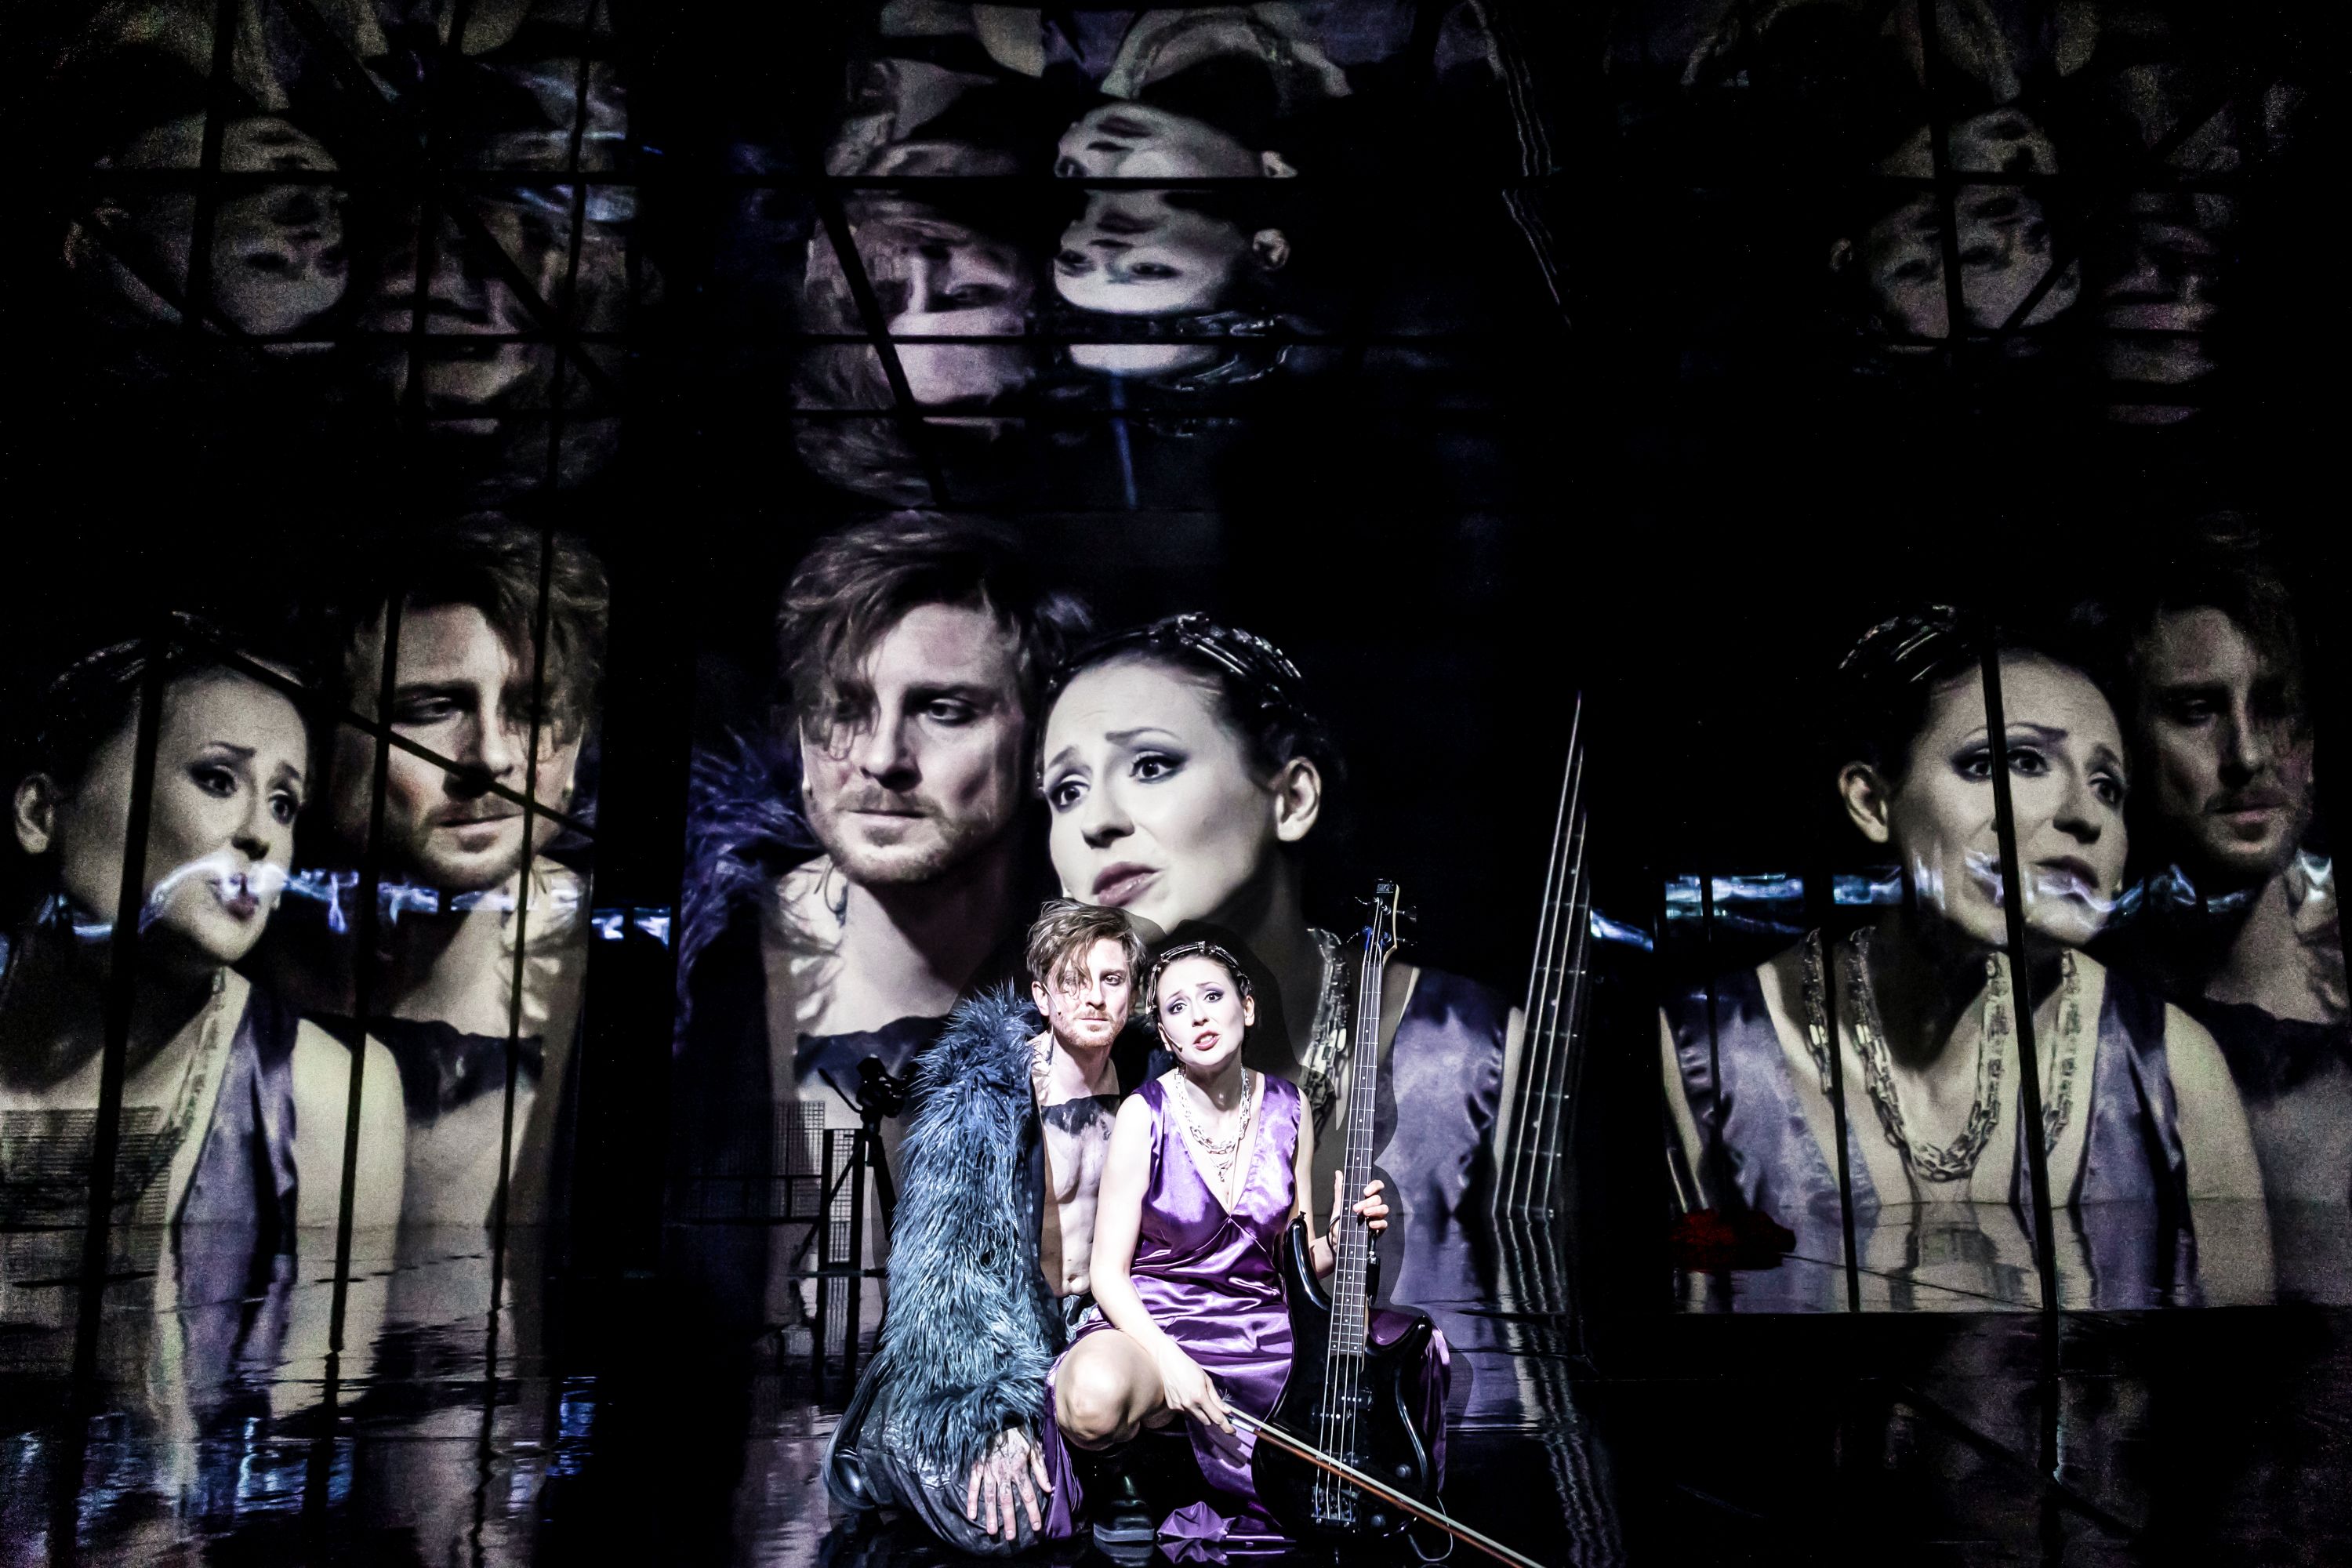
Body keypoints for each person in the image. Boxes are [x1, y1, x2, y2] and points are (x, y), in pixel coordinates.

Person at [1659, 609, 2264, 1305]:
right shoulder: (1707, 1057)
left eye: (2109, 786)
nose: (2085, 814)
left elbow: (2249, 1358)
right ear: (1872, 802)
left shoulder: (2172, 1069)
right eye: (2017, 761)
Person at [1037, 615, 1518, 1368]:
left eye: (1151, 765)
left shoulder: (1473, 1049)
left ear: (1291, 797)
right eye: (1066, 790)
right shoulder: (1054, 1078)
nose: (1094, 822)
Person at [673, 512, 1091, 1272]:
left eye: (943, 710)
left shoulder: (1127, 989)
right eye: (845, 708)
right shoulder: (697, 964)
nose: (881, 756)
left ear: (1042, 745)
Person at [2, 625, 405, 1240]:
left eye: (283, 804)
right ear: (41, 813)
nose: (261, 835)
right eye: (218, 779)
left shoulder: (330, 1095)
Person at [263, 521, 604, 1229]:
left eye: (531, 710)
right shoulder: (224, 952)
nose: (491, 756)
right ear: (319, 740)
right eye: (433, 708)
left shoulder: (632, 967)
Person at [1054, 939, 1431, 1545]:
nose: (1199, 1017)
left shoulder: (1290, 1107)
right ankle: (1123, 1478)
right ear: (1166, 1035)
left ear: (1246, 1008)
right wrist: (1170, 1362)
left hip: (1258, 1328)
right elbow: (1108, 1275)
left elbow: (1294, 1266)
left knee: (1402, 1359)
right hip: (1156, 1324)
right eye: (1177, 1008)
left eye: (1212, 996)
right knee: (1089, 1399)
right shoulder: (1142, 1115)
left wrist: (1338, 1239)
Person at [822, 901, 1149, 1554]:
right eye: (1072, 981)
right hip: (990, 1347)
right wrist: (990, 1413)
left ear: (1133, 993)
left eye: (1111, 980)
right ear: (1042, 996)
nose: (1093, 998)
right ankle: (883, 1439)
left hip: (1092, 1336)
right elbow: (943, 1283)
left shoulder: (1154, 1086)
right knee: (1008, 1525)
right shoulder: (980, 1099)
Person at [2091, 525, 2347, 1204]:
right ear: (2125, 738)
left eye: (2274, 706)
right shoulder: (2088, 1015)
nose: (2248, 755)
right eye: (2196, 710)